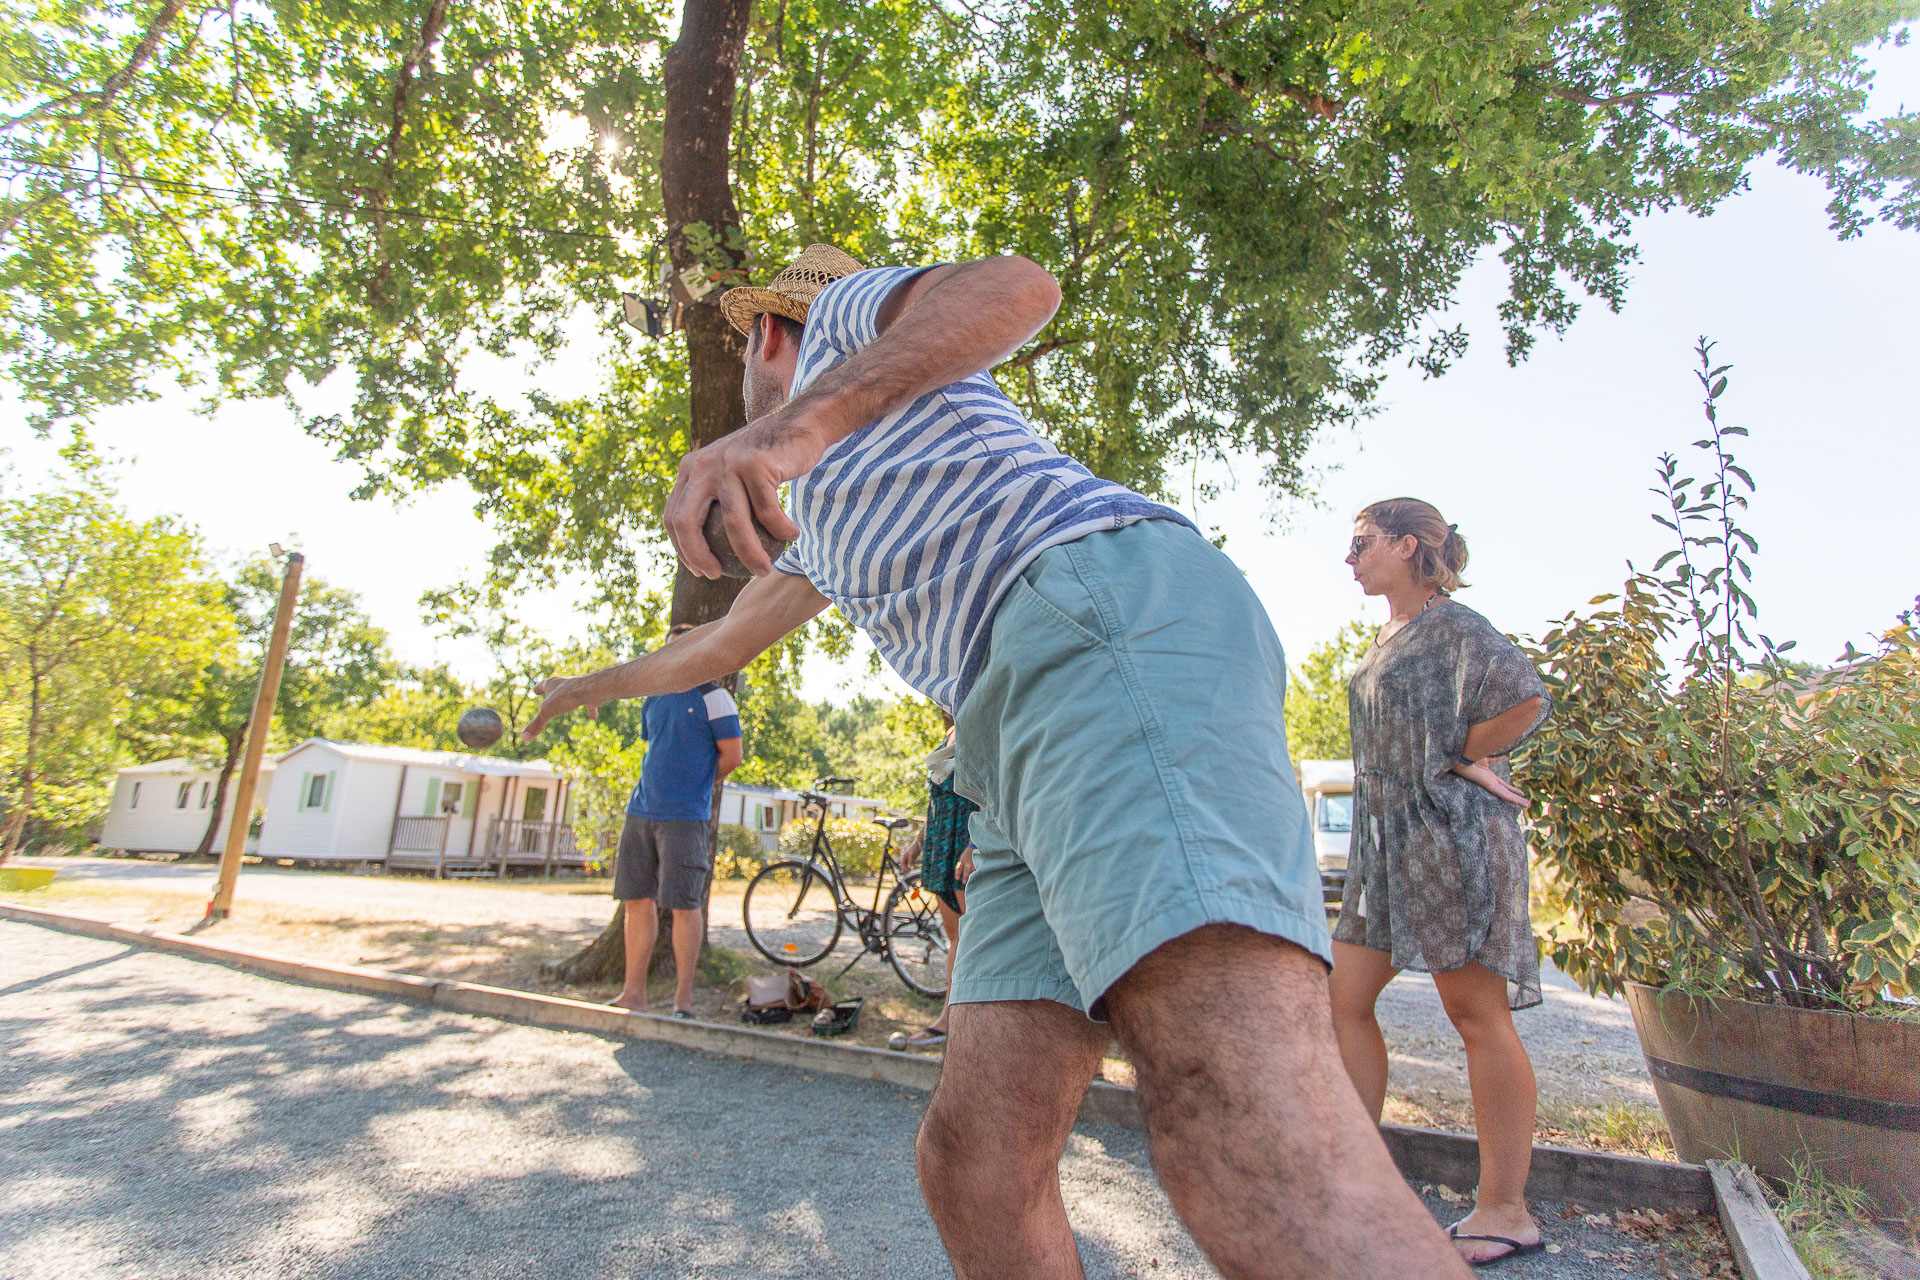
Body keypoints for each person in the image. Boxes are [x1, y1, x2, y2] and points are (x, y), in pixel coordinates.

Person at [523, 244, 1473, 1279]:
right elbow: (710, 648)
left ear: (767, 336)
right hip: (1009, 735)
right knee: (975, 1161)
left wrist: (785, 427)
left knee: (1242, 1131)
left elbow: (1021, 286)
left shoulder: (847, 320)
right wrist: (587, 687)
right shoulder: (824, 529)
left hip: (1096, 627)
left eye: (754, 361)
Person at [1327, 498, 1552, 1268]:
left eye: (1361, 544)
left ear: (1409, 544)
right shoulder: (1389, 632)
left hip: (1448, 836)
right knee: (1344, 999)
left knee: (1475, 1013)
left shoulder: (1454, 624)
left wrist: (1462, 751)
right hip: (1385, 842)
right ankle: (1358, 1186)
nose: (1349, 558)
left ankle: (1506, 1209)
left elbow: (1527, 697)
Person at [610, 622, 742, 1017]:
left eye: (681, 647)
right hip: (641, 811)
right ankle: (634, 993)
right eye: (667, 648)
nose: (672, 655)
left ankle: (682, 1000)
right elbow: (656, 747)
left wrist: (694, 785)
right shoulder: (653, 696)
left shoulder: (716, 698)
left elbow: (731, 757)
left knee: (685, 905)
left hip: (686, 816)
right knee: (636, 900)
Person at [894, 728, 975, 1050]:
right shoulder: (952, 731)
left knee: (972, 939)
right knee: (956, 937)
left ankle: (958, 1021)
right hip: (941, 845)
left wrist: (974, 844)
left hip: (965, 845)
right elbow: (938, 797)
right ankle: (952, 1019)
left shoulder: (980, 720)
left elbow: (992, 791)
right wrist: (917, 843)